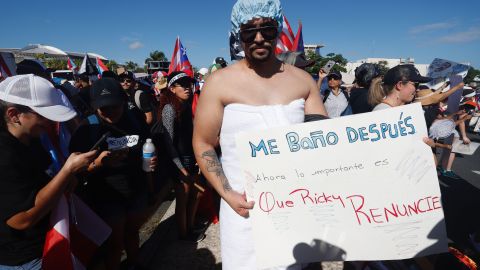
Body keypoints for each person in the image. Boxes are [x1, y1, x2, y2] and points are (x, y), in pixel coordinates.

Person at [192, 0, 327, 268]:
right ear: (237, 35)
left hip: (295, 205)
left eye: (266, 29)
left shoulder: (302, 80)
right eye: (248, 31)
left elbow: (323, 140)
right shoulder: (219, 82)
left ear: (277, 29)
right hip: (244, 210)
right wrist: (227, 193)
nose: (258, 38)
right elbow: (204, 142)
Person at [0, 74, 96, 268]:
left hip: (49, 239)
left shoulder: (31, 138)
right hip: (23, 259)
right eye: (42, 116)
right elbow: (21, 220)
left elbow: (45, 181)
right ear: (13, 115)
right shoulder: (4, 154)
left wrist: (70, 178)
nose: (49, 122)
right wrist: (67, 170)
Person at [69, 78, 153, 270]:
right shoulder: (86, 130)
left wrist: (149, 160)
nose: (109, 112)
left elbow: (146, 146)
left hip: (136, 189)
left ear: (124, 102)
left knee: (133, 232)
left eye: (114, 106)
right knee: (114, 244)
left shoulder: (134, 119)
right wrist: (98, 164)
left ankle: (135, 263)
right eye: (103, 108)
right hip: (107, 197)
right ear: (94, 107)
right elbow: (75, 173)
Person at [155, 71, 204, 242]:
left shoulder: (186, 103)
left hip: (191, 157)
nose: (187, 87)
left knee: (196, 193)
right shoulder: (169, 108)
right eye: (182, 84)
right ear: (172, 88)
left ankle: (190, 225)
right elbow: (169, 142)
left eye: (188, 84)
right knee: (183, 198)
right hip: (179, 160)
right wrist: (180, 167)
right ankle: (184, 234)